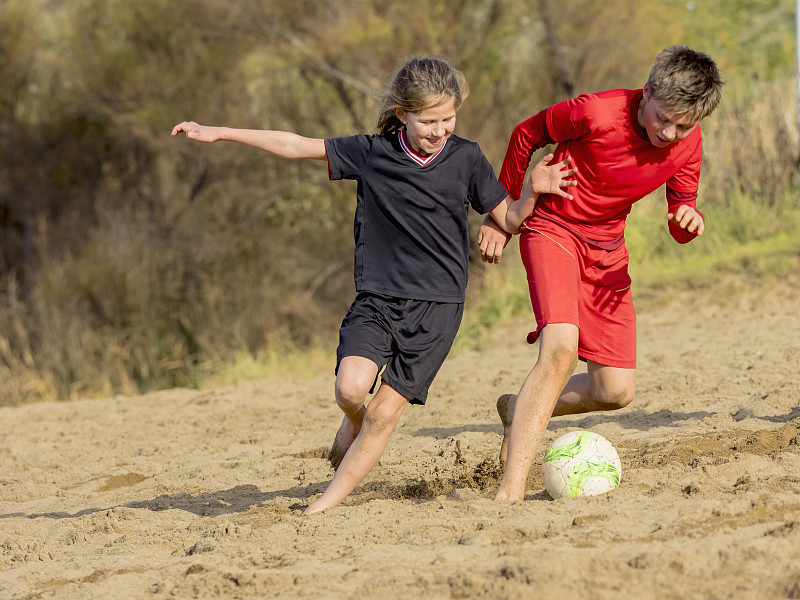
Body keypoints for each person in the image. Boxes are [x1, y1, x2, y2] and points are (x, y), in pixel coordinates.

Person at [171, 56, 577, 514]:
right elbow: (294, 144)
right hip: (378, 299)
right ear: (402, 114)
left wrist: (534, 189)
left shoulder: (466, 157)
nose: (440, 130)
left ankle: (323, 505)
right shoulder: (371, 153)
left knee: (383, 412)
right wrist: (220, 132)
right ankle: (353, 423)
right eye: (429, 121)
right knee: (350, 390)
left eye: (448, 119)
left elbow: (509, 218)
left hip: (437, 309)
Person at [478, 45, 724, 501]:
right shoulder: (595, 112)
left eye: (683, 126)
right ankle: (509, 491)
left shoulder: (688, 143)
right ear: (647, 91)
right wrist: (504, 213)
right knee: (560, 352)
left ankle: (518, 408)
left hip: (608, 250)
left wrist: (688, 220)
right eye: (663, 118)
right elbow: (526, 133)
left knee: (614, 391)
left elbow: (679, 213)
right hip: (553, 229)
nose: (669, 133)